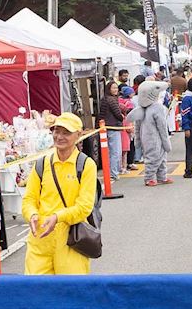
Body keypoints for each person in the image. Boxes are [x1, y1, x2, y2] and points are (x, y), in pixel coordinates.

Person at [20, 114, 97, 276]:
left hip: (70, 239)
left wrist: (57, 217)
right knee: (36, 292)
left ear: (79, 135)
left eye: (66, 133)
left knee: (71, 293)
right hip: (40, 237)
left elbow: (84, 207)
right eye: (56, 131)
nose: (59, 137)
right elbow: (29, 199)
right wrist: (32, 214)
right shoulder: (42, 164)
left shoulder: (86, 165)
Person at [127, 80, 173, 187]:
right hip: (156, 137)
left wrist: (137, 141)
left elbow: (137, 126)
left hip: (145, 137)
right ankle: (149, 177)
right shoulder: (158, 107)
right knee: (155, 157)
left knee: (155, 157)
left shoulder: (140, 108)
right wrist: (167, 142)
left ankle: (161, 176)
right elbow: (162, 127)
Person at [101, 82, 127, 179]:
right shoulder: (112, 100)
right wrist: (122, 117)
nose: (116, 90)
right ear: (109, 89)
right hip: (113, 127)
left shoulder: (104, 99)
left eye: (116, 88)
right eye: (113, 88)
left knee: (108, 152)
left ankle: (110, 172)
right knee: (116, 152)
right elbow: (117, 114)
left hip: (106, 127)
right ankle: (114, 173)